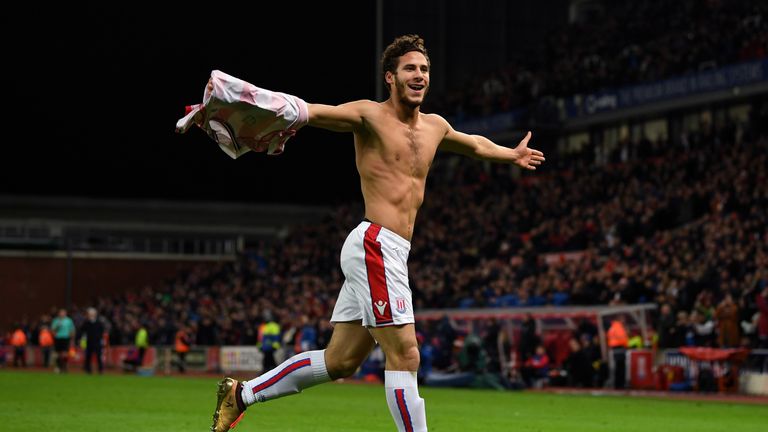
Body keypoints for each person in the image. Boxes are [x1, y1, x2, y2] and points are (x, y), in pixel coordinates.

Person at [207, 34, 545, 432]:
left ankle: (241, 394)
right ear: (391, 77)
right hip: (376, 245)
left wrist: (512, 153)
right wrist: (260, 103)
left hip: (389, 251)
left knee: (340, 362)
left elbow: (473, 144)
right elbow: (314, 112)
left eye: (424, 69)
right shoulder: (368, 116)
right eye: (410, 69)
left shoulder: (436, 127)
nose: (419, 75)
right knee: (407, 355)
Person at [80, 307, 106, 374]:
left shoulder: (99, 323)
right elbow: (81, 331)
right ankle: (88, 369)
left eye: (92, 314)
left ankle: (100, 370)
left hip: (97, 342)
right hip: (89, 342)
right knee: (88, 356)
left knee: (99, 356)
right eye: (90, 314)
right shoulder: (86, 323)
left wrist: (101, 339)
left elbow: (102, 332)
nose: (91, 315)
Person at [51, 308, 75, 373]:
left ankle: (64, 366)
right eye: (61, 312)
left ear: (65, 313)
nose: (62, 314)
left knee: (65, 353)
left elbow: (72, 330)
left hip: (66, 338)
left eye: (63, 312)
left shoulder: (69, 321)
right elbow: (53, 331)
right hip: (58, 338)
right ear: (59, 313)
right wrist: (57, 327)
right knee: (58, 354)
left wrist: (72, 339)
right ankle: (58, 367)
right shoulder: (55, 321)